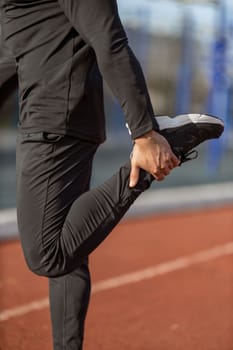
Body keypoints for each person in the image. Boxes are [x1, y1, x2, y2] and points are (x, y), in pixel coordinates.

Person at [0, 1, 224, 349]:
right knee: (72, 247)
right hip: (62, 120)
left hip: (52, 122)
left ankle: (170, 144)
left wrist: (145, 133)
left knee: (48, 252)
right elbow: (13, 49)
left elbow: (109, 39)